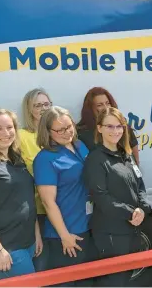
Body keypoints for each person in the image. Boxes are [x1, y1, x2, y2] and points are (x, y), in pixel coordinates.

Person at [83, 107, 151, 287]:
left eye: (119, 126)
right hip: (110, 234)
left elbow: (140, 186)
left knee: (126, 279)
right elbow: (101, 197)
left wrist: (142, 209)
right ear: (99, 128)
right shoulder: (96, 159)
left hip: (132, 230)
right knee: (113, 282)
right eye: (109, 126)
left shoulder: (126, 155)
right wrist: (131, 213)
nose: (115, 131)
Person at [33, 106, 92, 286]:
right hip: (66, 233)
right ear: (48, 132)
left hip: (89, 227)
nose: (67, 133)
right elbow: (47, 202)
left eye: (69, 127)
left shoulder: (80, 145)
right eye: (60, 130)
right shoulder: (45, 159)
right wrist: (65, 236)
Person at [0, 108, 42, 279]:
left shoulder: (16, 159)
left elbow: (26, 199)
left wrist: (36, 235)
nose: (6, 133)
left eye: (10, 127)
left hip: (27, 243)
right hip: (5, 248)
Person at [19, 88, 52, 271]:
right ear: (29, 109)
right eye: (37, 105)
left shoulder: (58, 133)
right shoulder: (21, 136)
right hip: (37, 212)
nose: (43, 108)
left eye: (46, 104)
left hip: (62, 209)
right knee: (42, 262)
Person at [77, 87, 140, 164]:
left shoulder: (123, 126)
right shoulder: (81, 133)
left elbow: (135, 158)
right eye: (100, 105)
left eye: (108, 103)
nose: (106, 107)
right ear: (90, 108)